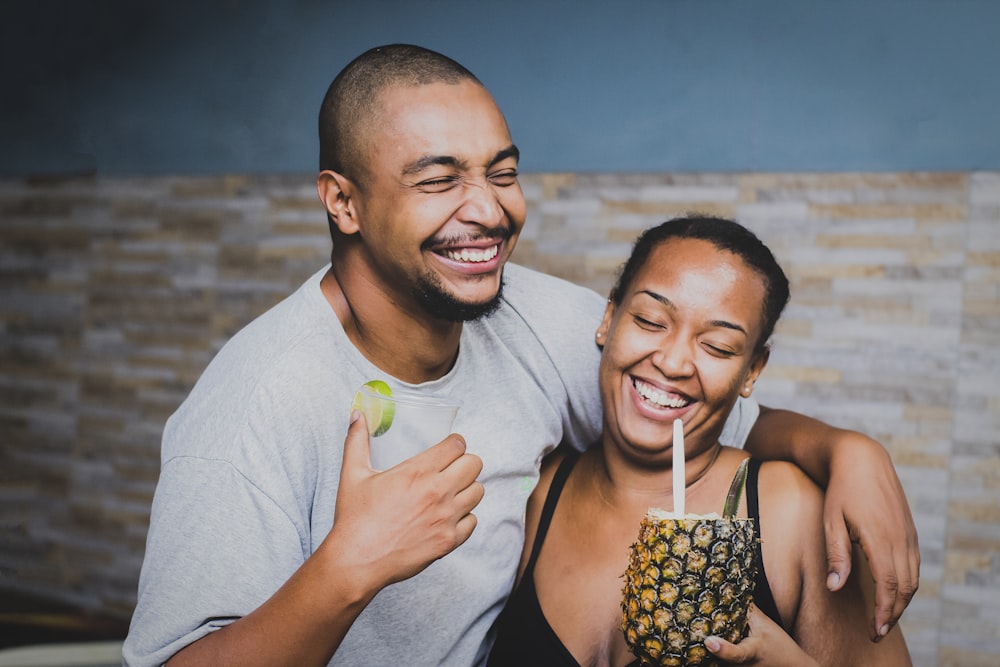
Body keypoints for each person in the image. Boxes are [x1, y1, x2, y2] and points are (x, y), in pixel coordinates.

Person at [123, 44, 917, 666]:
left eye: (502, 172)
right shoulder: (258, 396)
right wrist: (347, 568)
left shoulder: (526, 312)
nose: (489, 208)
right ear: (343, 201)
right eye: (439, 180)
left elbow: (696, 400)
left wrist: (850, 451)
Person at [486, 215, 912, 666]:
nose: (672, 362)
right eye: (650, 320)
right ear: (609, 319)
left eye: (718, 347)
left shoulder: (792, 512)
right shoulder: (537, 492)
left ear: (752, 370)